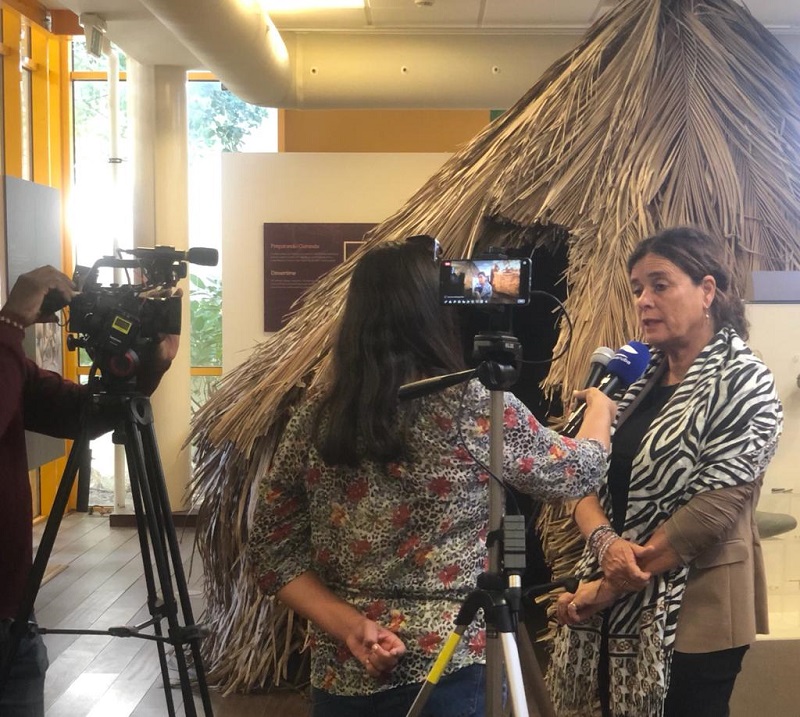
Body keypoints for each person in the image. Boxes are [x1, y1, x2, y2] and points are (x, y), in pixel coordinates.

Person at [246, 235, 617, 717]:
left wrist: (352, 626)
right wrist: (600, 412)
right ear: (435, 314)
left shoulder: (317, 415)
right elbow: (575, 473)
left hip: (343, 670)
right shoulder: (473, 408)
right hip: (450, 665)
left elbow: (270, 551)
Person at [547, 227, 784, 717]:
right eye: (637, 289)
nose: (644, 301)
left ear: (707, 290)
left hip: (698, 606)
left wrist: (610, 584)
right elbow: (579, 475)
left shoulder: (744, 381)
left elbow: (712, 511)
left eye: (660, 285)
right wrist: (605, 546)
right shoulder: (631, 378)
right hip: (612, 602)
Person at [0, 265, 179, 716]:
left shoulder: (7, 360)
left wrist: (143, 374)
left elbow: (80, 413)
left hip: (11, 614)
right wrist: (10, 323)